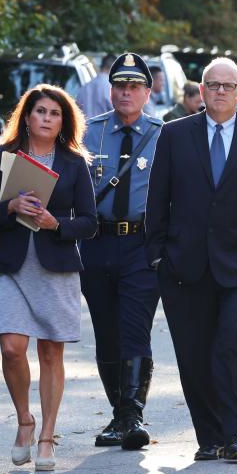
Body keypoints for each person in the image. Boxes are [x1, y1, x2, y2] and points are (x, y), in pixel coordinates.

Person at [146, 58, 237, 461]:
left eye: (229, 86)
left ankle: (235, 434)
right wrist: (156, 255)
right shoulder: (174, 135)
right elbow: (158, 197)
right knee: (194, 352)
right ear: (202, 91)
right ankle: (208, 436)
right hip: (184, 265)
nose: (220, 91)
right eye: (213, 85)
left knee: (233, 344)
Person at [0, 84, 98, 471]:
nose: (46, 118)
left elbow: (90, 223)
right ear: (26, 117)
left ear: (63, 121)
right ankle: (24, 421)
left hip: (56, 267)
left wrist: (55, 223)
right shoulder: (2, 156)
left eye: (54, 113)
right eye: (40, 111)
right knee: (12, 347)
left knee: (49, 351)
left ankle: (47, 435)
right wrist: (9, 206)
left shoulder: (74, 163)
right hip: (12, 264)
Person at [81, 53, 164, 451]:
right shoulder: (88, 134)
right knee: (105, 333)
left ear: (147, 92)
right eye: (119, 86)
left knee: (135, 329)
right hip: (96, 243)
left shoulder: (165, 135)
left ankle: (132, 414)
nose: (126, 93)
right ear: (110, 90)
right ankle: (119, 414)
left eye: (134, 86)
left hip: (141, 245)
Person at [77, 54, 116, 120]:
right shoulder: (111, 88)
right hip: (104, 129)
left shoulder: (85, 87)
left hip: (85, 128)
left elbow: (77, 110)